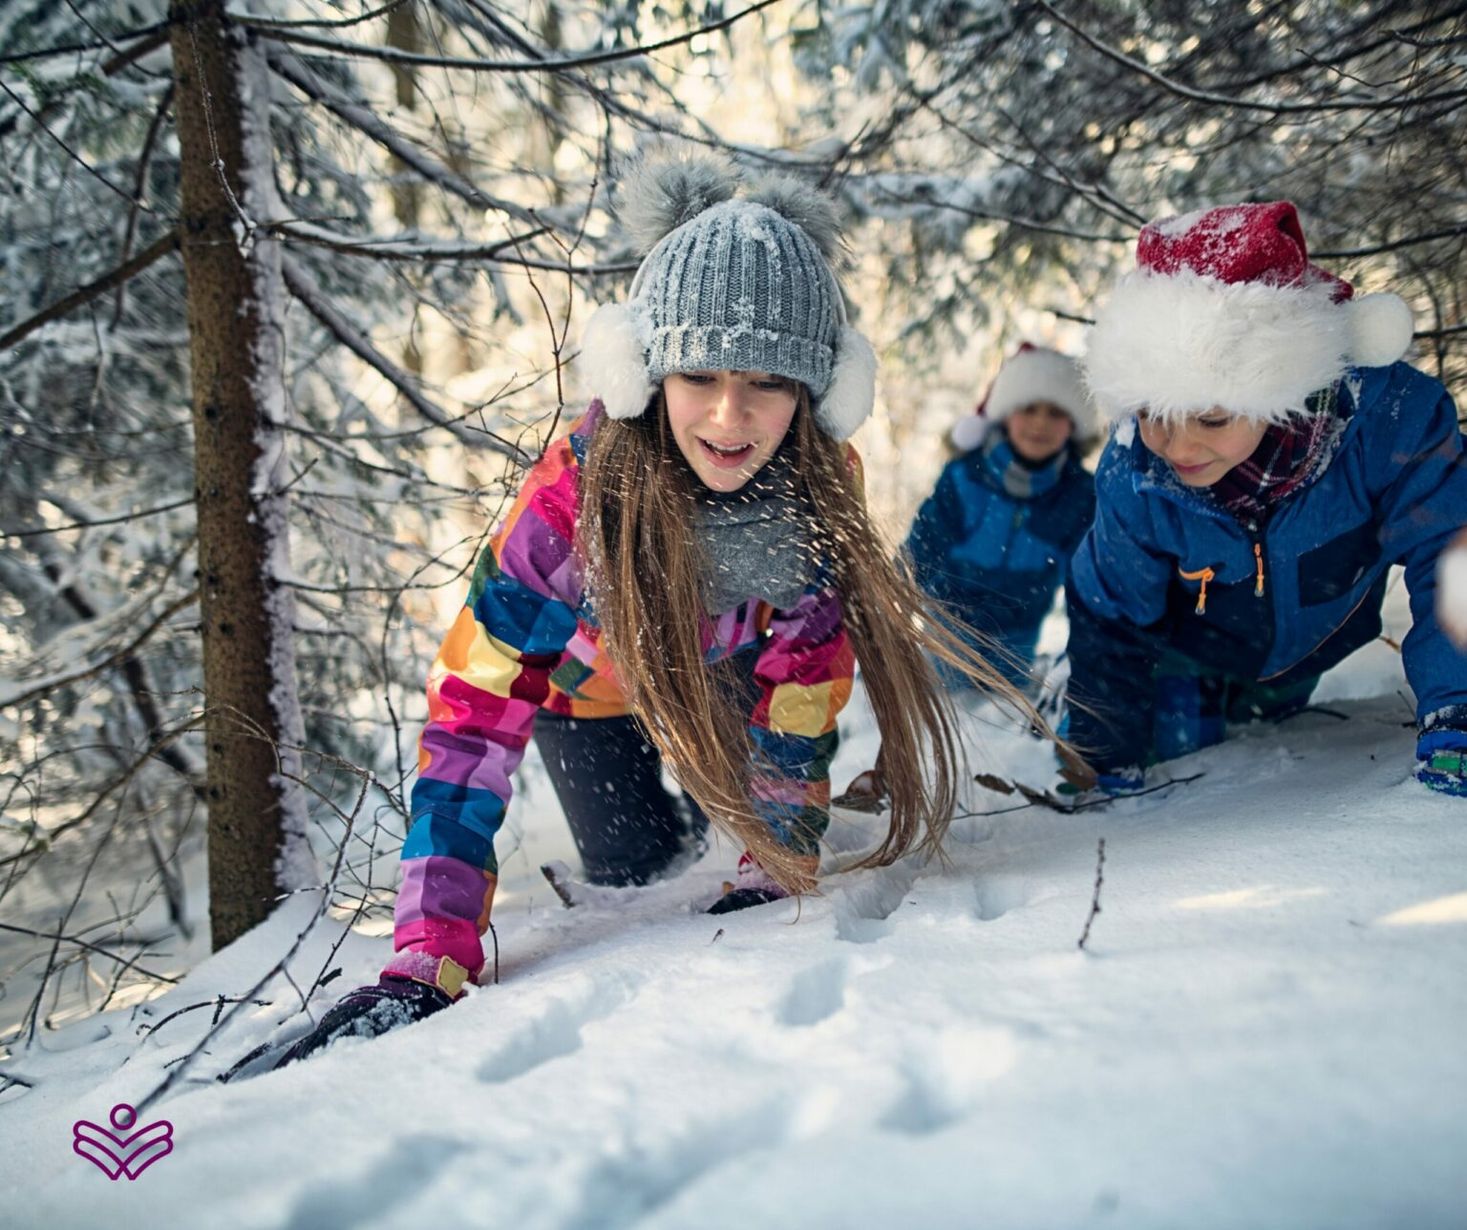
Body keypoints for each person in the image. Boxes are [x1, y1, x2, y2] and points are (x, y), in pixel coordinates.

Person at [277, 150, 1042, 1063]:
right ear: (646, 375)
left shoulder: (817, 492)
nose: (728, 416)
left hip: (725, 681)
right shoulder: (569, 502)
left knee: (733, 866)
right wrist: (430, 946)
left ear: (814, 393)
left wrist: (776, 857)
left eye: (767, 382)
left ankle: (734, 832)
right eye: (698, 376)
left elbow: (802, 688)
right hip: (588, 696)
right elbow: (474, 712)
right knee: (636, 869)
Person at [1062, 200, 1467, 799]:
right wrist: (1104, 753)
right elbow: (1110, 609)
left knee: (1269, 738)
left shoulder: (1390, 426)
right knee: (1182, 760)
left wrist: (1456, 710)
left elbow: (1451, 556)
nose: (1177, 445)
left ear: (1281, 391)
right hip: (1187, 657)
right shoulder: (1136, 471)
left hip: (1311, 649)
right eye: (1151, 412)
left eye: (1211, 418)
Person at [906, 344, 1097, 689]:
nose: (1040, 423)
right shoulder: (966, 476)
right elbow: (924, 545)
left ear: (1073, 425)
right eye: (1029, 408)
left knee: (1000, 708)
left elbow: (1087, 579)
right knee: (944, 699)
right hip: (949, 622)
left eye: (1055, 412)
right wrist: (893, 602)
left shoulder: (1079, 496)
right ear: (1007, 414)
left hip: (1018, 631)